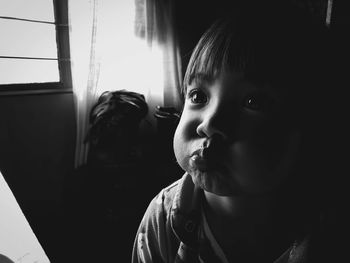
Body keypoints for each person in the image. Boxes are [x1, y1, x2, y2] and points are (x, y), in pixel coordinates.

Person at [132, 1, 340, 262]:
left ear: (309, 129)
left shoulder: (332, 229)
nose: (209, 123)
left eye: (253, 102)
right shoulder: (163, 220)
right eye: (198, 96)